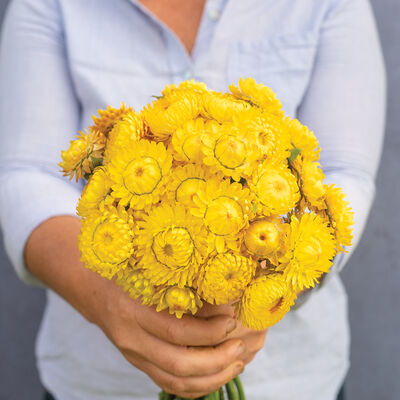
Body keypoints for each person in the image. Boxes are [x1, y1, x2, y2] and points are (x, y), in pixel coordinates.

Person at [0, 0, 386, 399]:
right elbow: (28, 174)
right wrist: (102, 299)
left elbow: (344, 174)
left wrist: (274, 287)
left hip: (293, 381)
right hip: (98, 383)